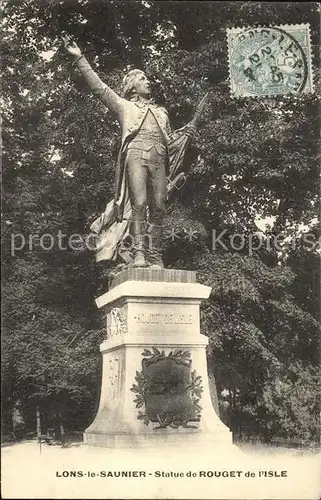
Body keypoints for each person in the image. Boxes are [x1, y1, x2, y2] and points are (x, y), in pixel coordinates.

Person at [62, 35, 196, 269]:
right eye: (143, 78)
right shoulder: (125, 107)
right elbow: (100, 89)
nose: (148, 81)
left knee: (159, 207)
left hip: (159, 158)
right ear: (132, 85)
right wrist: (80, 59)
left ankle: (155, 256)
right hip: (136, 154)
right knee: (139, 204)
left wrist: (186, 135)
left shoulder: (162, 112)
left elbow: (171, 142)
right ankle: (139, 254)